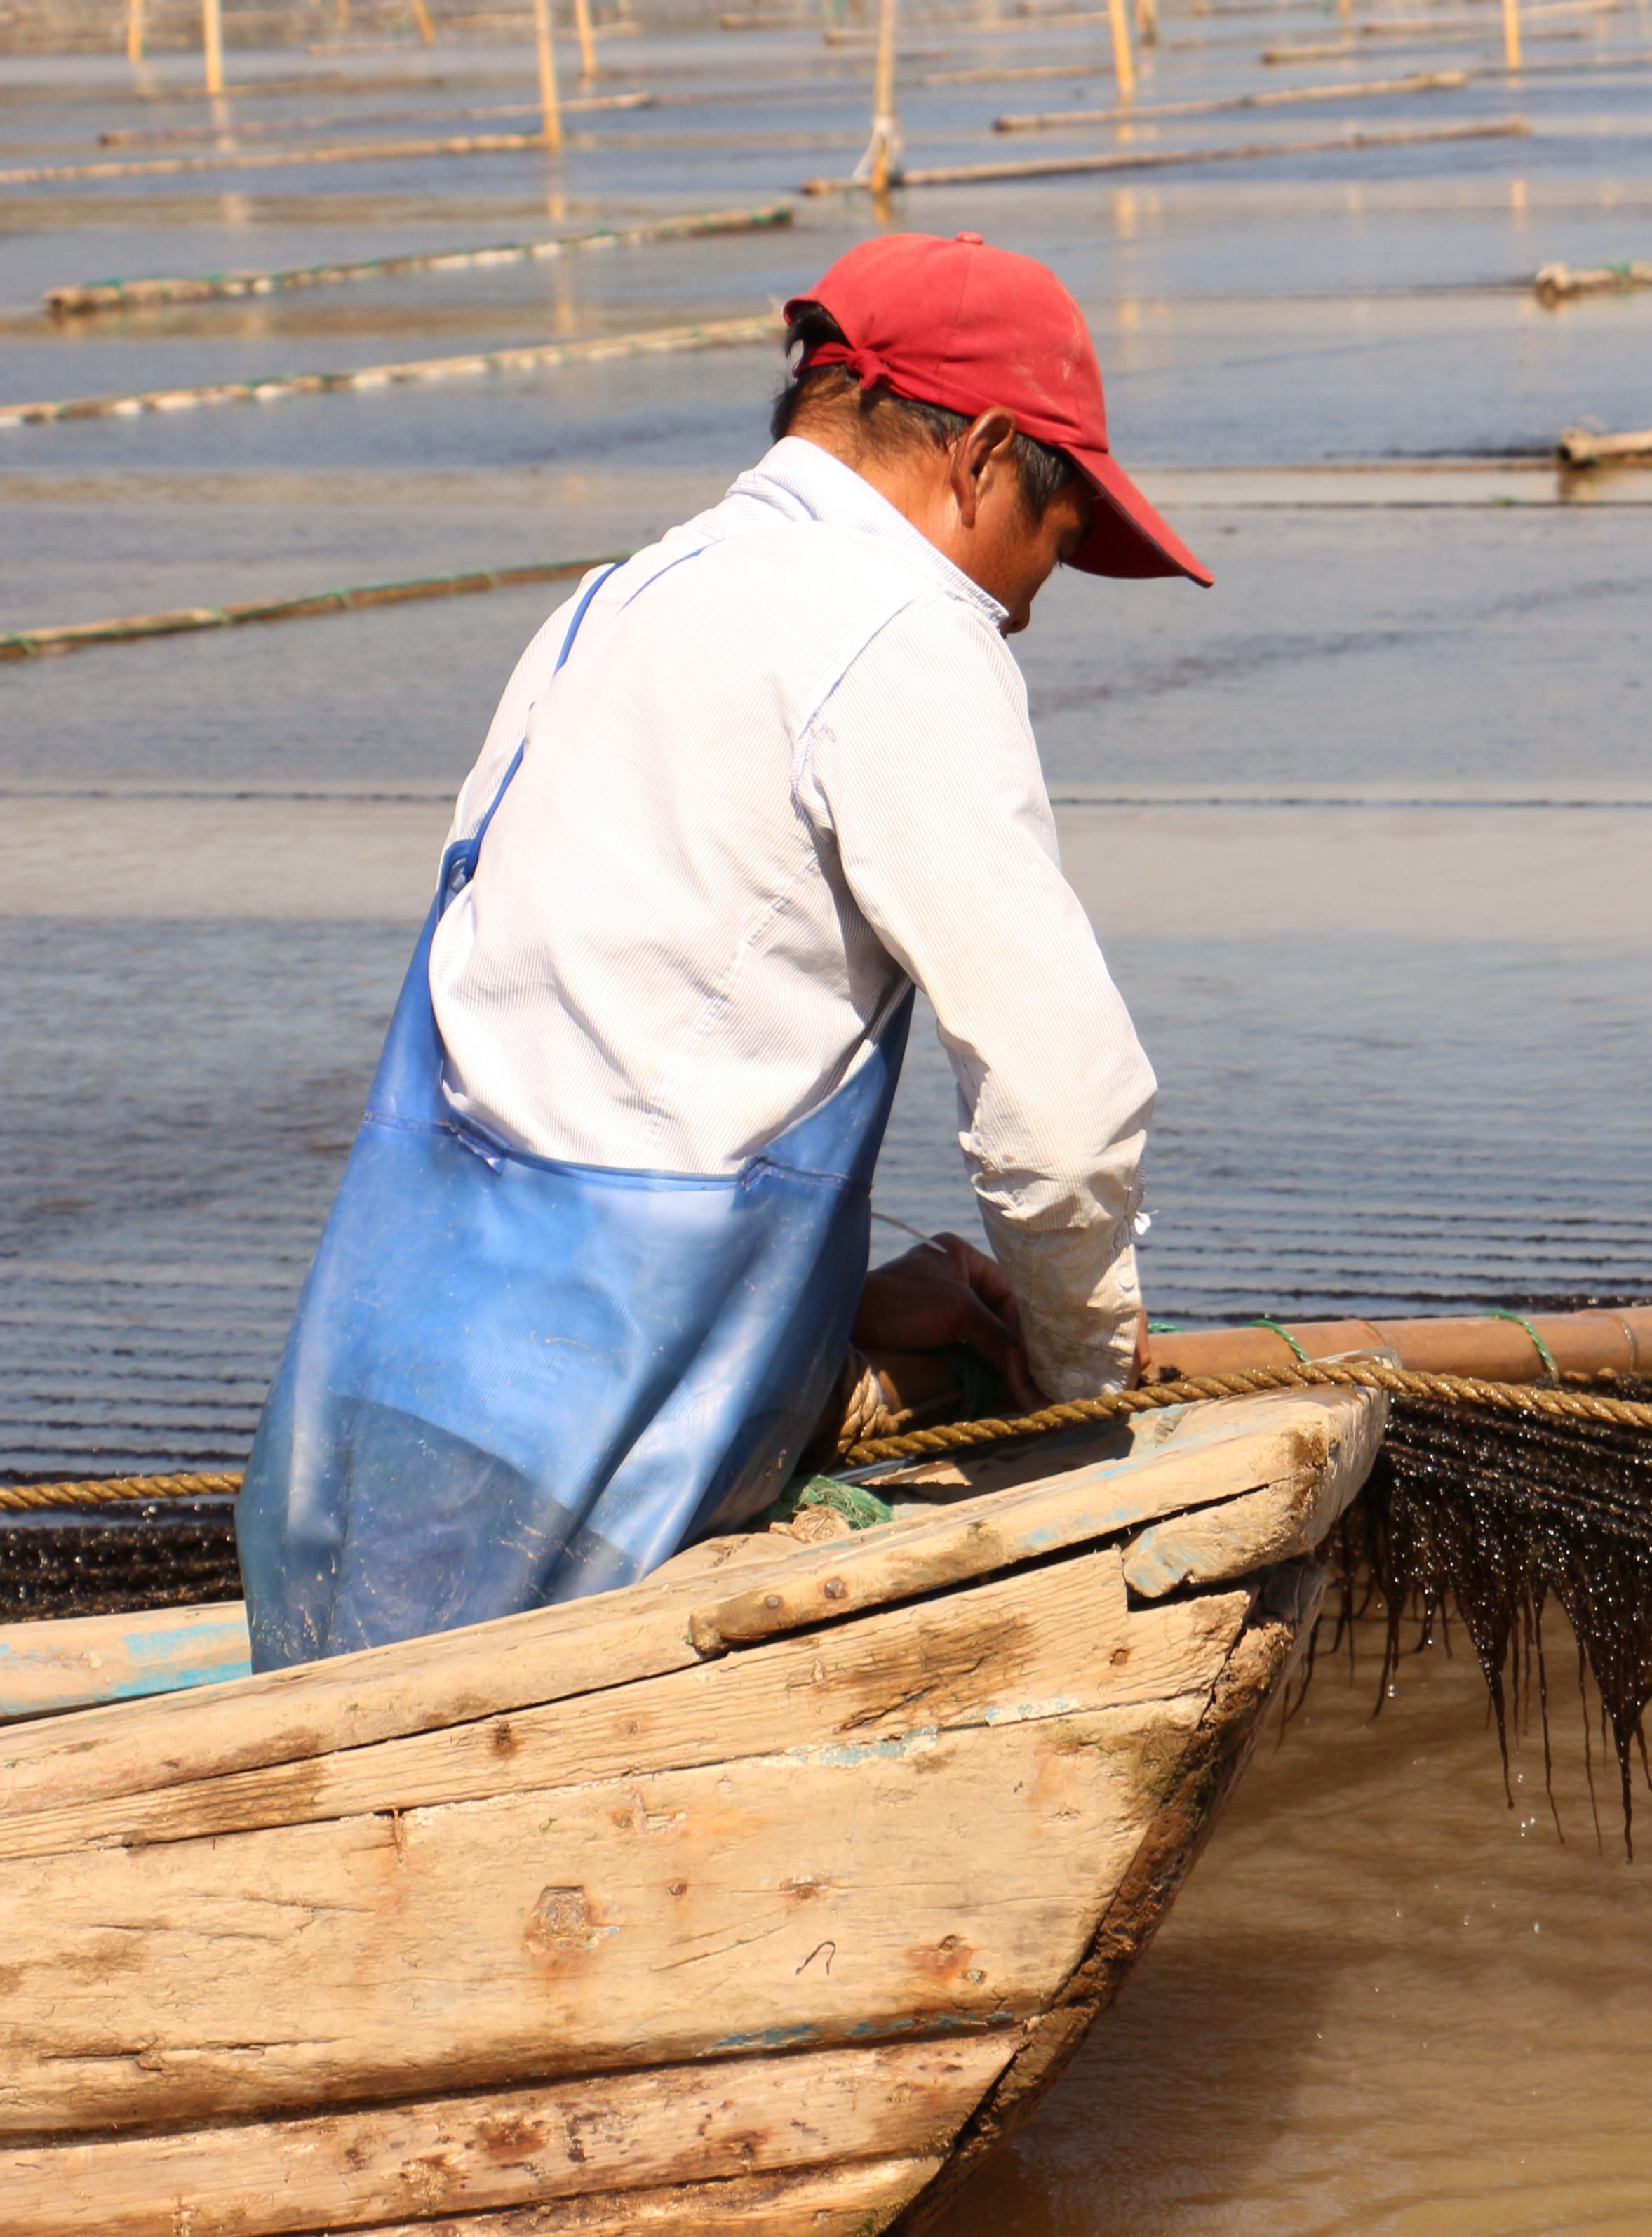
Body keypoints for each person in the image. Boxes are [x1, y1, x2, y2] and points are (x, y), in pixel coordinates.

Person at [236, 229, 1214, 1669]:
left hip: (363, 1406)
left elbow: (592, 1079)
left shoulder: (615, 603)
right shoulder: (906, 635)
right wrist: (1081, 1395)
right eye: (1054, 542)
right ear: (988, 454)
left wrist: (843, 1315)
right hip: (595, 1467)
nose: (1024, 600)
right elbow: (1063, 1122)